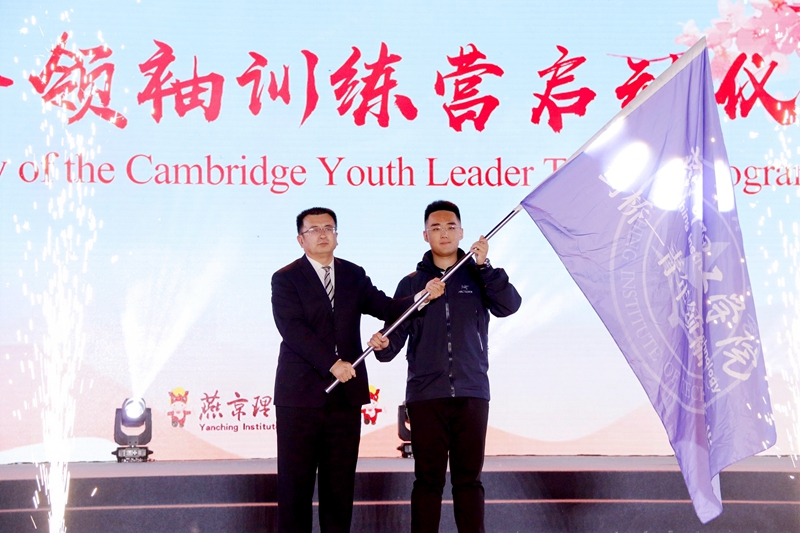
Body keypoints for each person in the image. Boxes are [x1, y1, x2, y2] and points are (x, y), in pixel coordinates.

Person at [271, 207, 444, 533]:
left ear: (337, 235)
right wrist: (332, 363)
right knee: (295, 488)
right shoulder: (286, 278)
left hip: (345, 397)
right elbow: (292, 330)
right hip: (299, 397)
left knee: (339, 488)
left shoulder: (352, 274)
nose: (322, 234)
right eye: (313, 230)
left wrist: (421, 298)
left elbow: (385, 306)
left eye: (328, 228)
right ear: (300, 239)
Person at [372, 200, 522, 533]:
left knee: (469, 481)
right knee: (428, 481)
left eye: (451, 226)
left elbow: (509, 305)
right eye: (436, 228)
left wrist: (485, 267)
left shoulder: (479, 276)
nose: (444, 233)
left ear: (462, 233)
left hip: (472, 392)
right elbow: (392, 340)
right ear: (425, 235)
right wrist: (383, 344)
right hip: (426, 396)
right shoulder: (411, 284)